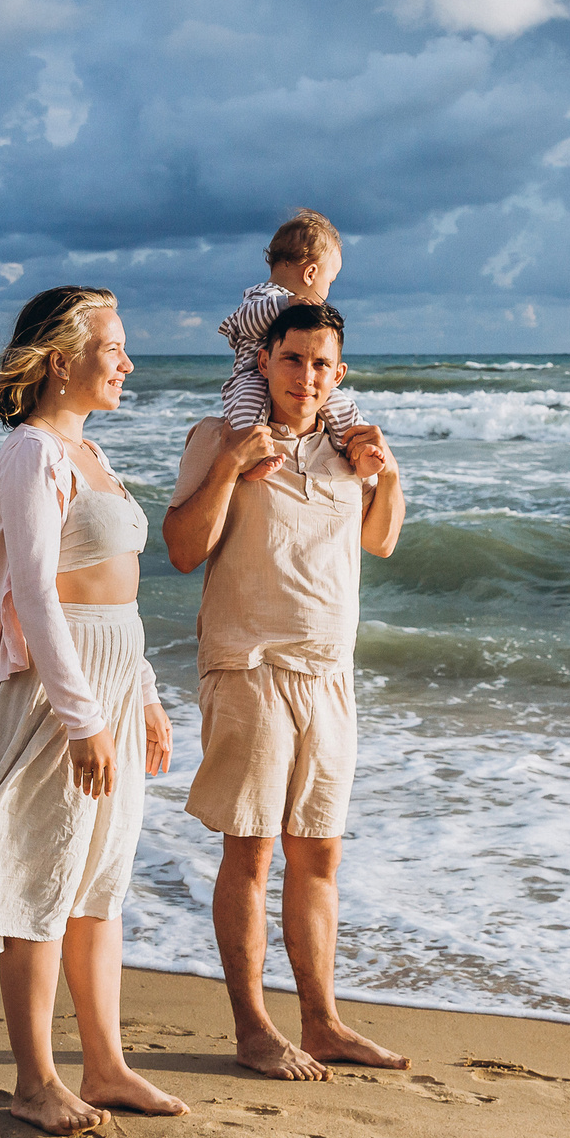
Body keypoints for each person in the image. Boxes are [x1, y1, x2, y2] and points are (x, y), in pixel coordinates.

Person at [0, 287, 188, 1133]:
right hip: (59, 694)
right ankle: (35, 1080)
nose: (129, 362)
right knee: (43, 882)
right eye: (115, 346)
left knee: (100, 884)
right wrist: (82, 717)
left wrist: (143, 695)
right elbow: (37, 592)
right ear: (62, 359)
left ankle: (107, 1067)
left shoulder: (92, 452)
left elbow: (117, 598)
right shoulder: (31, 454)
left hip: (113, 676)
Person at [163, 300, 409, 1081]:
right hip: (250, 664)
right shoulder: (220, 436)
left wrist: (389, 471)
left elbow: (383, 538)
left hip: (329, 674)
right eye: (293, 359)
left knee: (320, 854)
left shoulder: (349, 446)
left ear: (339, 374)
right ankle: (253, 1026)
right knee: (253, 852)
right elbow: (180, 547)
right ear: (264, 361)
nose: (306, 376)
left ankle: (323, 1020)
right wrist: (234, 464)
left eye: (321, 364)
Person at [218, 209, 363, 464]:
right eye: (330, 281)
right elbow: (247, 320)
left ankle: (356, 447)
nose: (328, 291)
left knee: (339, 402)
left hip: (283, 379)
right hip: (251, 376)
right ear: (310, 274)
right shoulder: (262, 295)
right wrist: (287, 303)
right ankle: (246, 461)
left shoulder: (296, 307)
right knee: (247, 407)